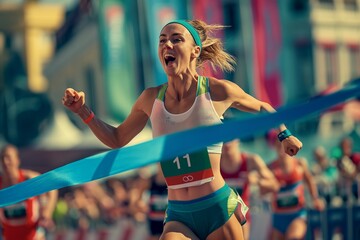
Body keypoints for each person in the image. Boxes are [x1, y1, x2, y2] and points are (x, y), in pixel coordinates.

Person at [62, 19, 302, 240]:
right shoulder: (150, 99)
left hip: (218, 207)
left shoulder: (216, 91)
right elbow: (117, 139)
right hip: (179, 214)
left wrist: (285, 134)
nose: (167, 43)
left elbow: (263, 107)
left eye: (176, 39)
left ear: (195, 51)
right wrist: (84, 112)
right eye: (162, 40)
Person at [266, 131, 324, 240]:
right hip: (278, 218)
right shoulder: (269, 168)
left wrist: (315, 198)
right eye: (277, 145)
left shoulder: (299, 164)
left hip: (297, 216)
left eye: (281, 144)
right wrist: (272, 186)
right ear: (273, 146)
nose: (280, 148)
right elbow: (262, 190)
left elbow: (310, 181)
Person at [220, 138, 279, 240]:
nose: (227, 144)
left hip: (242, 216)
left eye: (230, 138)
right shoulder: (214, 164)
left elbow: (275, 185)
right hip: (221, 218)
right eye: (223, 140)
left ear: (238, 139)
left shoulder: (251, 161)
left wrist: (257, 180)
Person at [0, 144, 58, 240]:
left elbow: (52, 188)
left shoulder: (28, 179)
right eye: (2, 158)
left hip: (33, 235)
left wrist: (48, 211)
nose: (5, 162)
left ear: (17, 160)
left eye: (8, 157)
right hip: (9, 235)